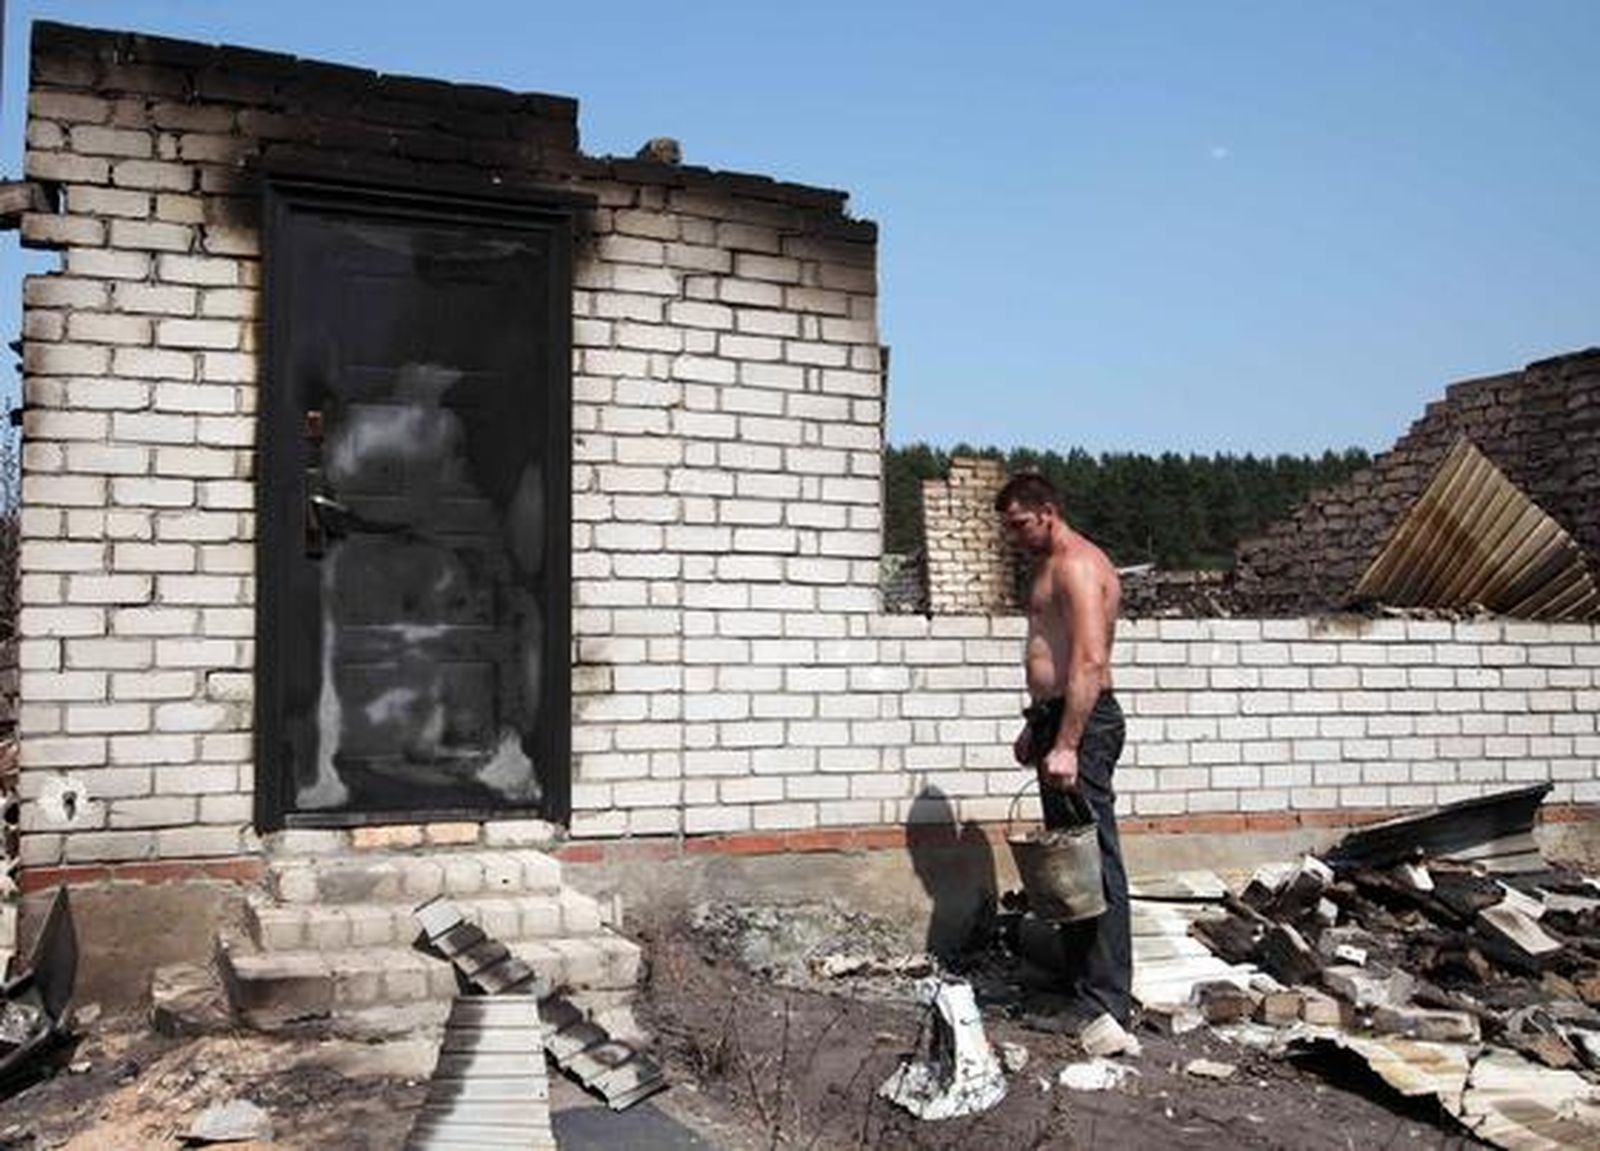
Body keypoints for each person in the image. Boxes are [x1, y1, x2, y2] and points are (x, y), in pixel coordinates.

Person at [995, 471, 1133, 1041]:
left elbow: (1090, 663)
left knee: (1095, 862)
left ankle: (1106, 1001)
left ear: (1048, 510)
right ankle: (1082, 985)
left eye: (1020, 524)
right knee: (1069, 869)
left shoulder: (1078, 564)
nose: (1015, 536)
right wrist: (1039, 727)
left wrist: (1069, 742)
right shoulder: (1047, 563)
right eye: (1008, 527)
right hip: (1058, 720)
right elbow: (1049, 654)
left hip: (1085, 723)